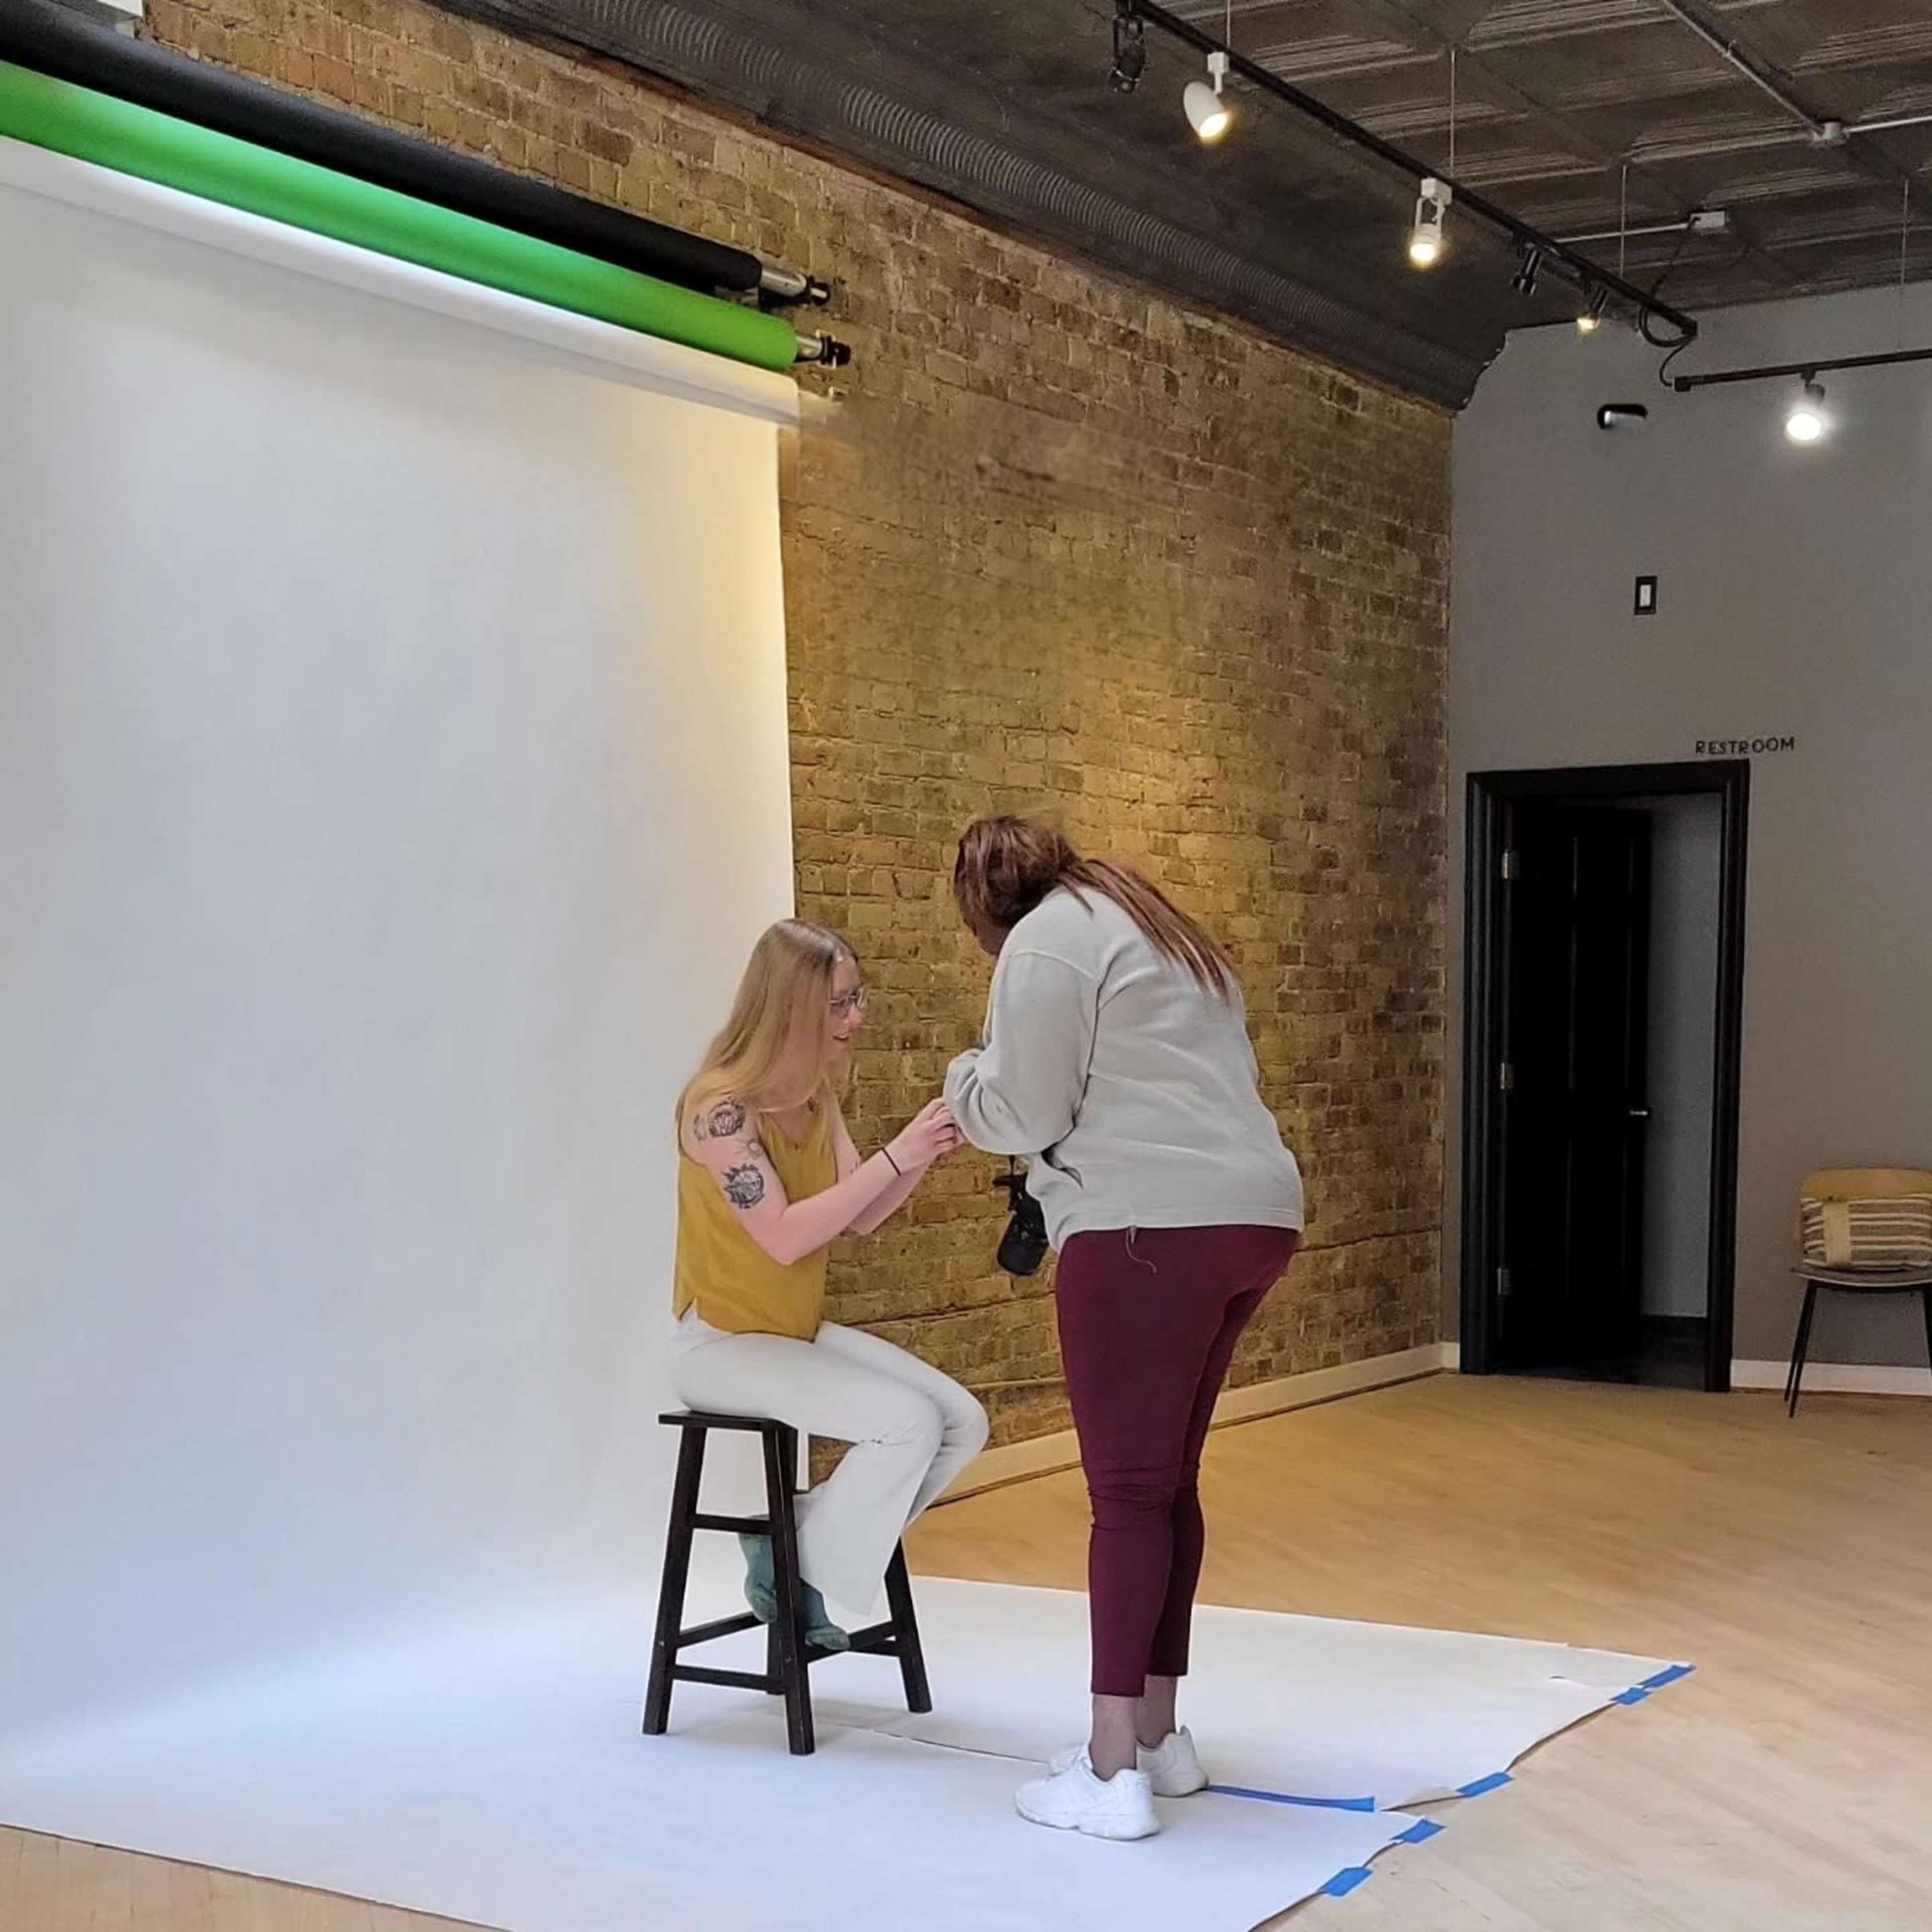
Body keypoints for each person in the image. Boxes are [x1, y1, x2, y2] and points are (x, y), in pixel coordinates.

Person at [945, 819, 1303, 1841]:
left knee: (1127, 1498)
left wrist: (961, 1081)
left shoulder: (1045, 941)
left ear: (983, 903)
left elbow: (1021, 1107)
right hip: (1254, 1218)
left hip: (1148, 1226)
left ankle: (1110, 1774)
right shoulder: (1154, 923)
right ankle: (1158, 1735)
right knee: (1169, 1486)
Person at [671, 920, 988, 1647]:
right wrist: (895, 1154)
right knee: (907, 1422)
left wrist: (922, 1148)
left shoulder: (816, 1100)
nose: (857, 1017)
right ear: (793, 1007)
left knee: (962, 1422)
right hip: (718, 1345)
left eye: (857, 999)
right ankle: (799, 1568)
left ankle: (790, 1557)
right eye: (841, 1004)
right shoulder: (718, 1110)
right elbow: (784, 1237)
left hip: (791, 1334)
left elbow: (864, 1213)